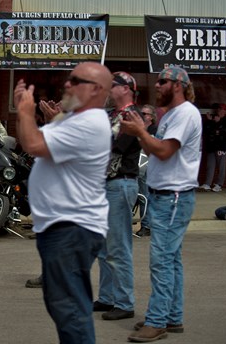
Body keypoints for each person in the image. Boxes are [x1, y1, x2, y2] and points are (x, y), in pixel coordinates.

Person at [14, 62, 113, 344]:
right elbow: (32, 142)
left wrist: (25, 111)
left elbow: (33, 144)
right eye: (68, 79)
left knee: (70, 310)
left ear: (96, 89)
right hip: (64, 227)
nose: (67, 85)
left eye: (76, 80)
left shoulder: (89, 122)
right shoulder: (73, 118)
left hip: (71, 228)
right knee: (66, 307)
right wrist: (28, 115)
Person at [122, 66, 202, 343]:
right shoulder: (171, 115)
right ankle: (172, 316)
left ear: (179, 85)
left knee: (162, 261)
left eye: (162, 81)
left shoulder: (186, 113)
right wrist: (142, 131)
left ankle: (157, 322)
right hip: (166, 196)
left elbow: (165, 151)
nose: (156, 85)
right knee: (171, 260)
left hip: (174, 196)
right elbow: (151, 148)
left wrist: (140, 131)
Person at [94, 71, 141, 321]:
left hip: (120, 183)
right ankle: (107, 297)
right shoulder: (110, 114)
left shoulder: (133, 116)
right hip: (106, 185)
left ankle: (124, 302)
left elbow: (115, 146)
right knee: (103, 246)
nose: (108, 89)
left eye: (112, 85)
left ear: (126, 88)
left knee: (119, 246)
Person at [135, 104, 158, 237]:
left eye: (145, 114)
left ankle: (146, 225)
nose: (142, 116)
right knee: (138, 196)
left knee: (145, 196)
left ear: (151, 117)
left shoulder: (154, 130)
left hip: (148, 167)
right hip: (137, 166)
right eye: (141, 113)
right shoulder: (138, 128)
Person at [200, 103, 226, 192]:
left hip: (221, 147)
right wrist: (210, 121)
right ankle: (207, 183)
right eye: (218, 109)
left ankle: (219, 184)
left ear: (225, 112)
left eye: (221, 110)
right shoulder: (212, 119)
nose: (219, 111)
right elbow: (206, 130)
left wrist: (217, 123)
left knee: (221, 166)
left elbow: (224, 131)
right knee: (210, 165)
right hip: (211, 146)